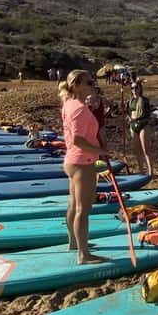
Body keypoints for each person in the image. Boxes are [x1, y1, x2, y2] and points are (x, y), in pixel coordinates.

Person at [59, 70, 107, 265]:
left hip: (72, 161)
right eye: (88, 82)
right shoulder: (78, 108)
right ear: (76, 85)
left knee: (73, 205)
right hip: (82, 162)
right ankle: (83, 254)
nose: (92, 84)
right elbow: (79, 140)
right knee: (83, 210)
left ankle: (73, 243)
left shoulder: (69, 104)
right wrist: (100, 150)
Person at [128, 81, 153, 176]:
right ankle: (141, 171)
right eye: (132, 88)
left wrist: (136, 118)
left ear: (140, 88)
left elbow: (148, 114)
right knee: (137, 150)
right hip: (133, 125)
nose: (134, 90)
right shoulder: (130, 101)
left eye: (136, 87)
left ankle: (150, 171)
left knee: (146, 150)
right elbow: (129, 112)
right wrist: (130, 118)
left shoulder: (145, 100)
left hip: (143, 125)